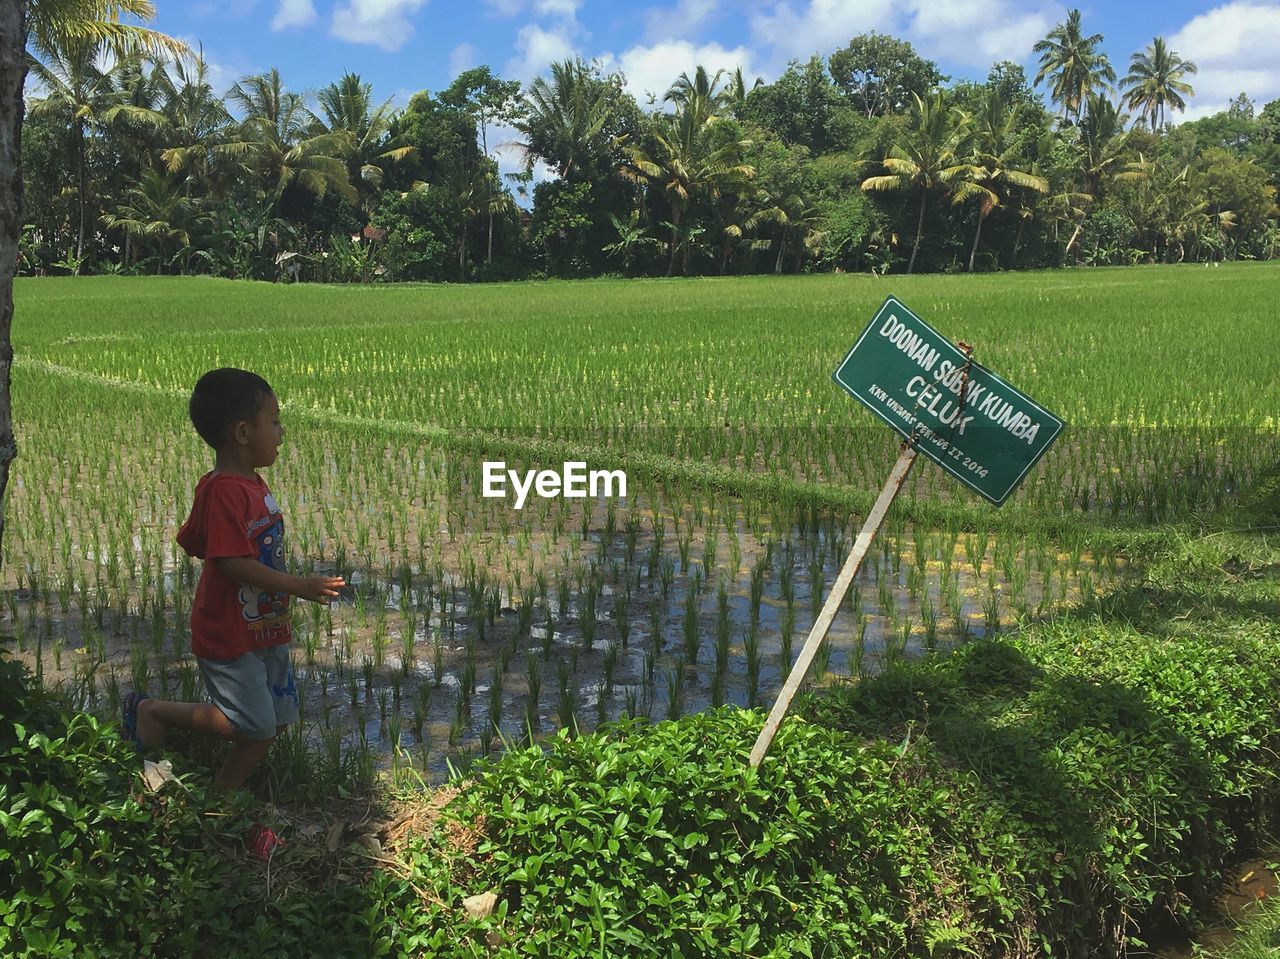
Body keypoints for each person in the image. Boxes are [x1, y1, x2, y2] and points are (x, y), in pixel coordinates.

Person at [123, 368, 345, 791]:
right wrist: (299, 585)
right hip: (230, 632)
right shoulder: (224, 489)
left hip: (264, 628)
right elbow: (228, 562)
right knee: (254, 726)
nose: (281, 433)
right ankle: (161, 720)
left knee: (275, 721)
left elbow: (197, 540)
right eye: (275, 422)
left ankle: (220, 800)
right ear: (244, 432)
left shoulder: (251, 484)